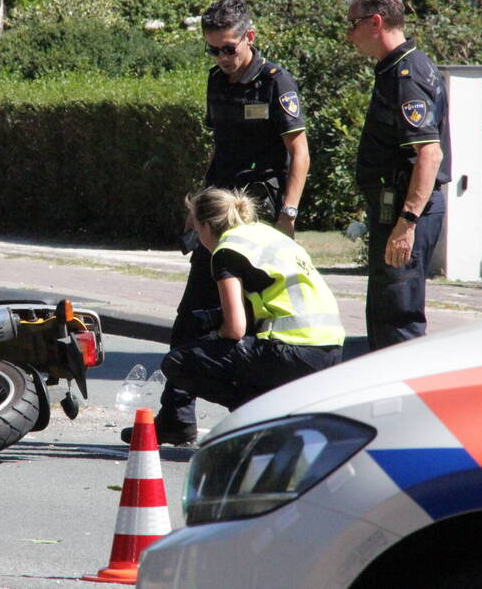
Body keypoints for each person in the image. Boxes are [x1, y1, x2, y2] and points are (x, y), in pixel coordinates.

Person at [123, 187, 345, 446]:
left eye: (196, 228)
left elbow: (236, 329)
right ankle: (273, 414)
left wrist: (216, 334)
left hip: (292, 352)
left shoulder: (225, 250)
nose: (196, 235)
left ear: (206, 225)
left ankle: (259, 418)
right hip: (330, 349)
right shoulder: (268, 235)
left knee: (179, 363)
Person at [172, 0, 311, 349]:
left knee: (252, 307)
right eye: (212, 50)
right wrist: (199, 206)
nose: (221, 58)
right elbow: (220, 148)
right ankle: (177, 403)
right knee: (195, 305)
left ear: (249, 36)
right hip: (219, 207)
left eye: (228, 49)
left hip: (258, 209)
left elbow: (300, 153)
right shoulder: (216, 81)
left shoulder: (275, 83)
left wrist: (288, 215)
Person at [345, 0, 452, 351]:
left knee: (398, 322)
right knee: (386, 316)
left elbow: (429, 154)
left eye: (353, 24)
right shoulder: (396, 69)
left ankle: (405, 405)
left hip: (406, 213)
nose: (348, 34)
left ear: (375, 22)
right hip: (395, 209)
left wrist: (406, 224)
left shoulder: (407, 76)